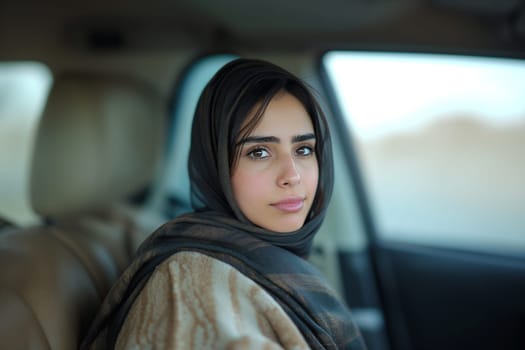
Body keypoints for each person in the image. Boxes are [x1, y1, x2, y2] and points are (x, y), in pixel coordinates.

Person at [81, 58, 366, 349]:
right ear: (214, 166)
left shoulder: (280, 265)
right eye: (259, 153)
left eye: (304, 149)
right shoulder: (187, 288)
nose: (292, 175)